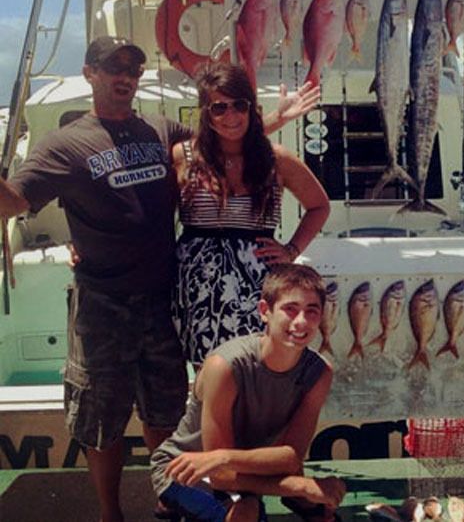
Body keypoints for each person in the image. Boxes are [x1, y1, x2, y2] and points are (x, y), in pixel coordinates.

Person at [0, 36, 320, 522]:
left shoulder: (157, 129)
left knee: (168, 408)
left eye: (132, 68)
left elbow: (224, 138)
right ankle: (112, 513)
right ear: (89, 73)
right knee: (102, 415)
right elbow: (15, 202)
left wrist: (274, 119)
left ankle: (173, 499)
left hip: (165, 295)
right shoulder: (65, 142)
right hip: (106, 299)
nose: (124, 77)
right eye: (112, 67)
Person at [151, 263, 346, 522]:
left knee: (326, 508)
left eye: (312, 311)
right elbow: (219, 476)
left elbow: (290, 458)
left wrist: (224, 458)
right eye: (290, 309)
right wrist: (299, 486)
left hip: (237, 464)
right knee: (247, 513)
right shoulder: (225, 366)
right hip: (189, 467)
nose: (301, 321)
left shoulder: (319, 372)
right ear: (265, 311)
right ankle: (177, 502)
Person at [173, 61, 330, 369]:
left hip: (256, 287)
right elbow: (155, 214)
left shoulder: (277, 159)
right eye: (219, 108)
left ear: (251, 107)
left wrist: (291, 250)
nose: (230, 115)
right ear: (206, 112)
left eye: (239, 105)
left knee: (256, 368)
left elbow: (319, 206)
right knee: (208, 373)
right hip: (197, 287)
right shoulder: (184, 157)